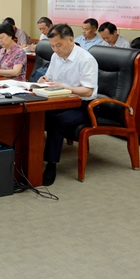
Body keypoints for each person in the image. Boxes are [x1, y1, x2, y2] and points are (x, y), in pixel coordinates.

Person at [38, 24, 99, 186]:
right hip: (60, 101)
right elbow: (50, 78)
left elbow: (88, 91)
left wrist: (64, 87)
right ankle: (31, 157)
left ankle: (51, 165)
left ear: (71, 40)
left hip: (84, 106)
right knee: (35, 114)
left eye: (59, 45)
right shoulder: (55, 57)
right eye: (52, 46)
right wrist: (44, 80)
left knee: (57, 122)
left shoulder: (86, 59)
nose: (55, 49)